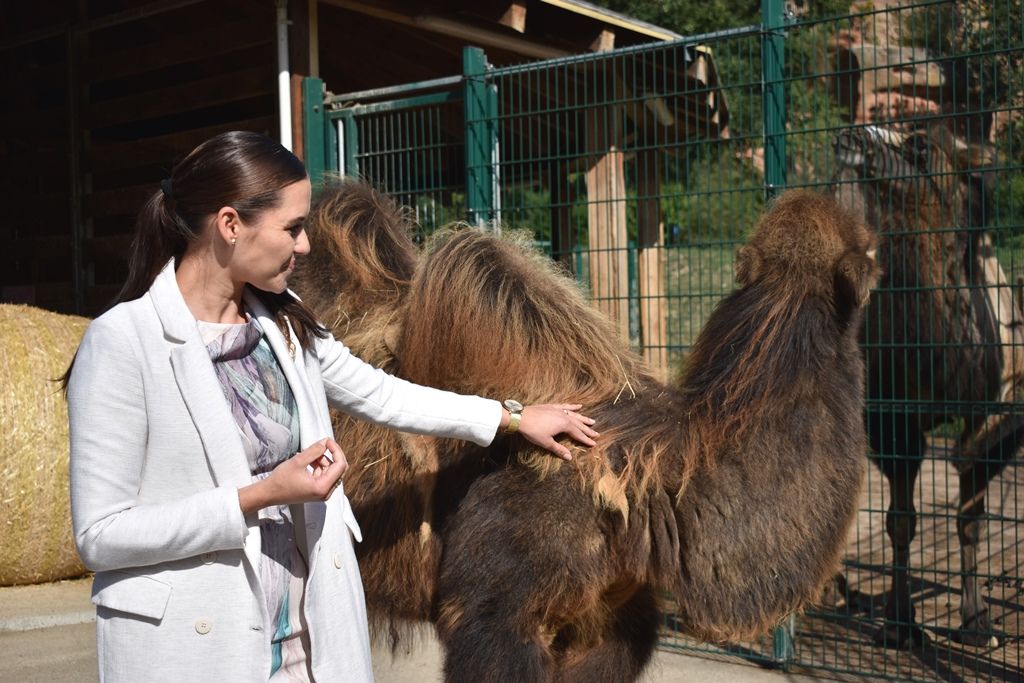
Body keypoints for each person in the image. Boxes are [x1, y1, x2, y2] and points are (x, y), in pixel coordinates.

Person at [65, 131, 599, 682]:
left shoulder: (282, 317)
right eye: (292, 229)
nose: (306, 247)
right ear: (230, 225)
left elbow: (380, 392)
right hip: (199, 644)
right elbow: (100, 536)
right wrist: (261, 496)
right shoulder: (122, 343)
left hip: (305, 635)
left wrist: (511, 417)